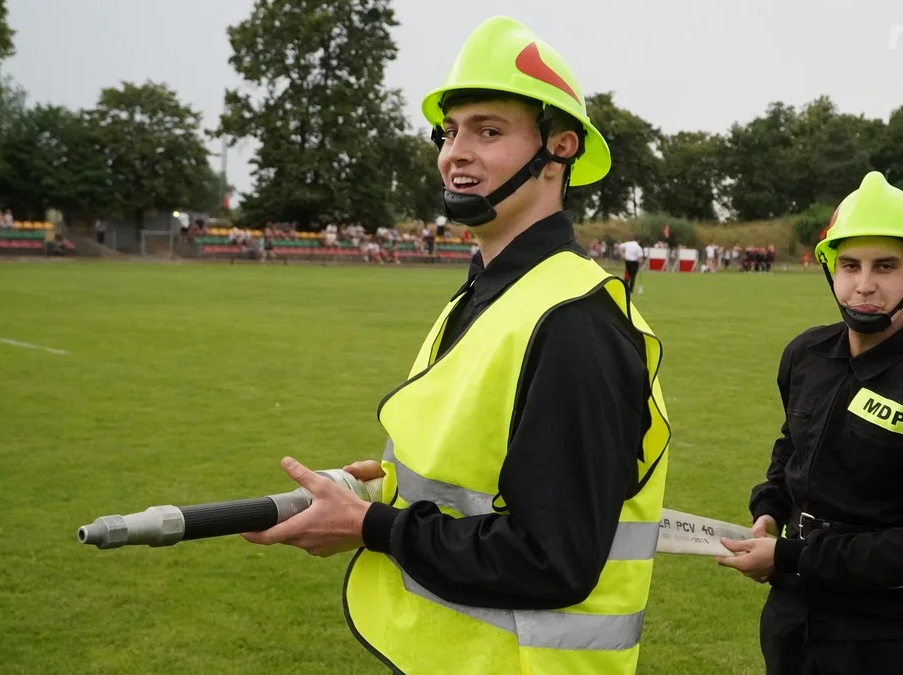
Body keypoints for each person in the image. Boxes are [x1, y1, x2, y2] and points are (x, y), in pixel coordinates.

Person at [241, 15, 671, 675]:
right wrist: (383, 489)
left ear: (560, 148)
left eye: (488, 131)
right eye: (449, 132)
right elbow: (481, 468)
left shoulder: (575, 321)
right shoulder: (488, 293)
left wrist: (372, 528)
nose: (454, 153)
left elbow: (552, 557)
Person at [717, 171, 903, 675]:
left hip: (886, 638)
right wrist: (770, 508)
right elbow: (793, 446)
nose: (864, 285)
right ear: (830, 268)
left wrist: (792, 556)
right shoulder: (805, 354)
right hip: (789, 621)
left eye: (885, 266)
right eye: (849, 265)